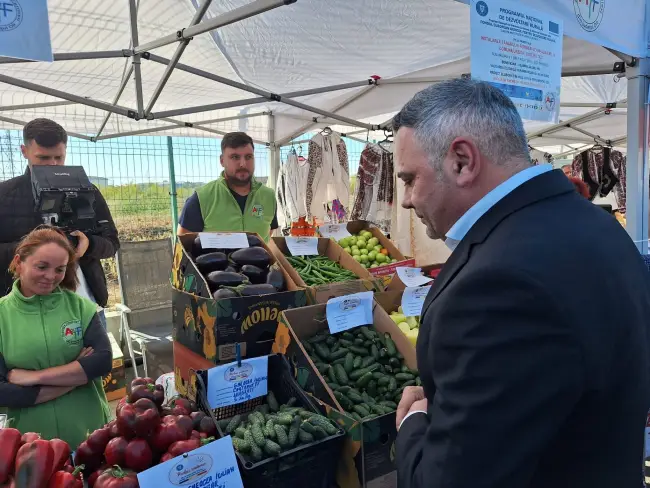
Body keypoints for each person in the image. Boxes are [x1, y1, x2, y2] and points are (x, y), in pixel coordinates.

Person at [392, 79, 650, 488]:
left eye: (409, 179)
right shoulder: (599, 225)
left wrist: (413, 424)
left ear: (461, 161)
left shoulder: (496, 284)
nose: (406, 199)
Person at [0, 226, 112, 448]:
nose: (51, 276)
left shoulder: (81, 307)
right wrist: (76, 374)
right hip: (30, 447)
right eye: (41, 266)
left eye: (59, 269)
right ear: (19, 262)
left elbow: (102, 361)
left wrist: (33, 377)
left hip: (89, 437)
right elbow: (4, 393)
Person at [0, 118, 120, 327]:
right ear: (24, 151)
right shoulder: (5, 195)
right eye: (43, 158)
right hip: (26, 314)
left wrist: (89, 245)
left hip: (85, 307)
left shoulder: (88, 190)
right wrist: (33, 251)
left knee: (95, 359)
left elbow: (112, 243)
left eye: (59, 157)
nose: (52, 165)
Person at [177, 131, 278, 242]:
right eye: (235, 157)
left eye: (248, 157)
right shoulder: (201, 199)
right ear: (222, 161)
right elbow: (184, 243)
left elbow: (268, 232)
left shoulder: (269, 196)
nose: (243, 163)